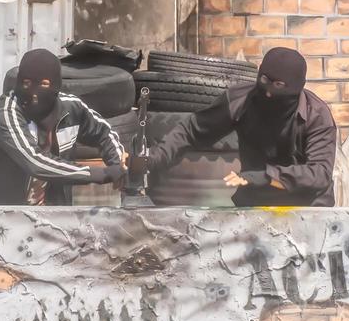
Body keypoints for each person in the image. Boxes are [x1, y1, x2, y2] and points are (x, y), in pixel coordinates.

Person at [138, 47, 337, 206]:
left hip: (309, 209)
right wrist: (152, 159)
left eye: (278, 86)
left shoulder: (316, 116)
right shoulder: (240, 101)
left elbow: (319, 174)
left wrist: (267, 176)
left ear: (296, 87)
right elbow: (191, 131)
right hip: (256, 203)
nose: (268, 93)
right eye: (265, 80)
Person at [0, 48, 127, 206]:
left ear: (56, 86)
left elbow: (104, 132)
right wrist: (100, 174)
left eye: (44, 84)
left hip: (50, 216)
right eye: (26, 83)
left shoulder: (71, 109)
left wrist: (118, 163)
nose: (34, 93)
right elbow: (35, 162)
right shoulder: (8, 111)